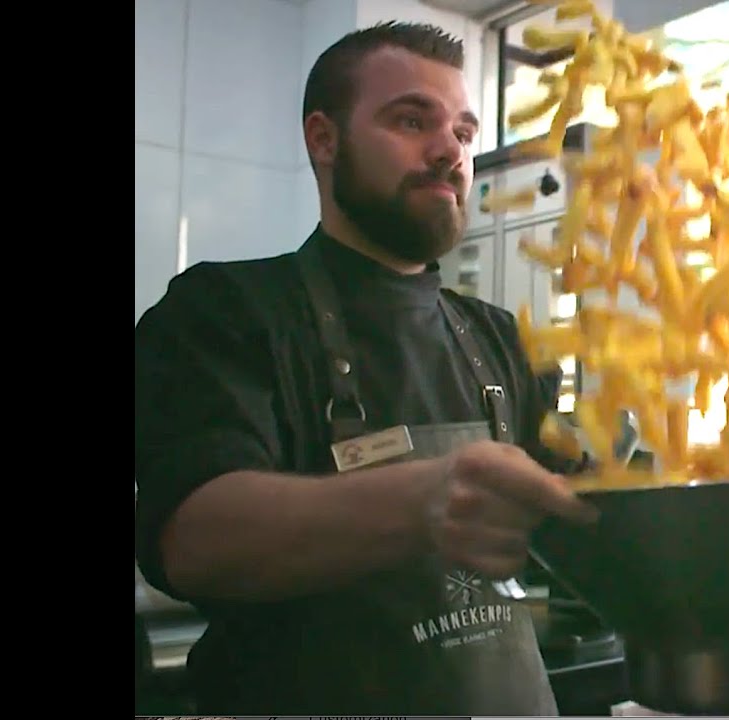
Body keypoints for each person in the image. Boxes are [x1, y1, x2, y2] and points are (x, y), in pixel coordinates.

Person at [133, 21, 600, 715]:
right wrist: (427, 498)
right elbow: (194, 540)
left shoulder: (499, 338)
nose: (450, 152)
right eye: (412, 120)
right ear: (324, 140)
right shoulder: (226, 311)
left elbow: (594, 520)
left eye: (465, 133)